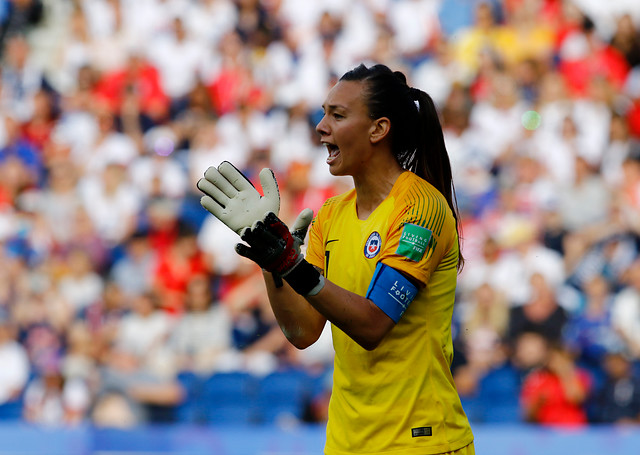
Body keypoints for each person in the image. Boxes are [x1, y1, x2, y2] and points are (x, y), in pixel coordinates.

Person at [198, 63, 474, 454]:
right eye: (324, 112)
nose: (320, 126)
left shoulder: (420, 208)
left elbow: (373, 325)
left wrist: (294, 266)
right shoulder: (330, 214)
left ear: (379, 129)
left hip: (421, 442)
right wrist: (271, 262)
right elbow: (302, 333)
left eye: (337, 115)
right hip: (346, 443)